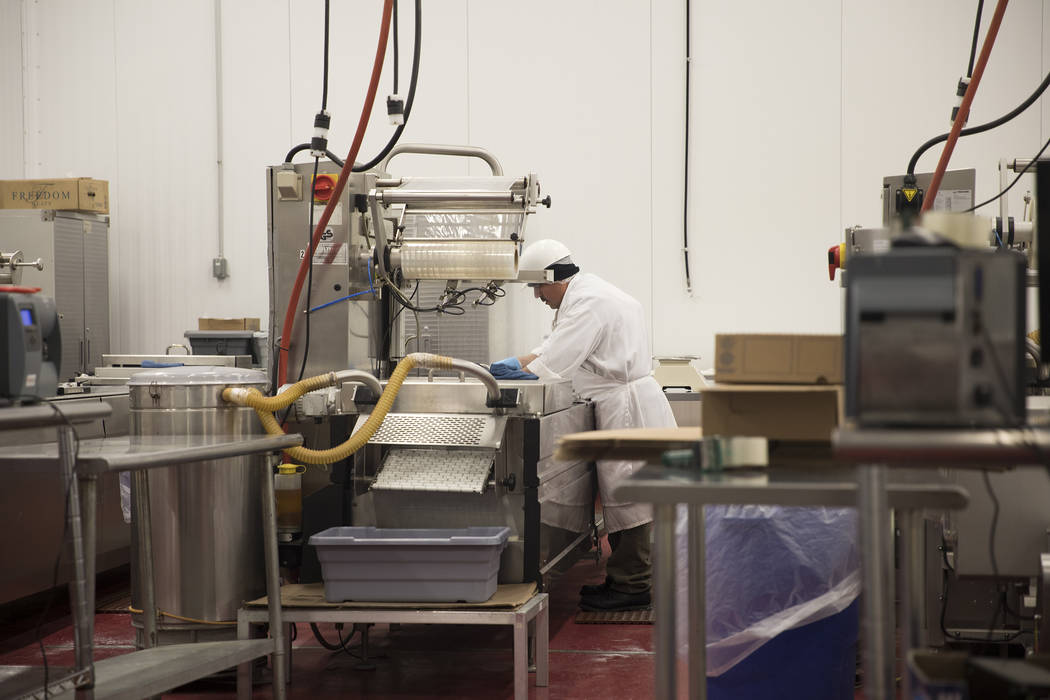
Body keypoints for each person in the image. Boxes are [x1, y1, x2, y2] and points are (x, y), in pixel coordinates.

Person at [489, 239, 677, 611]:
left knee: (628, 500)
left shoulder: (589, 302)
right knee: (626, 497)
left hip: (625, 409)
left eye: (537, 287)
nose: (537, 296)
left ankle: (631, 586)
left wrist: (512, 371)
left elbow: (555, 360)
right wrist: (512, 363)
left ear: (551, 278)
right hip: (623, 404)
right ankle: (626, 578)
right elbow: (550, 349)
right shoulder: (585, 294)